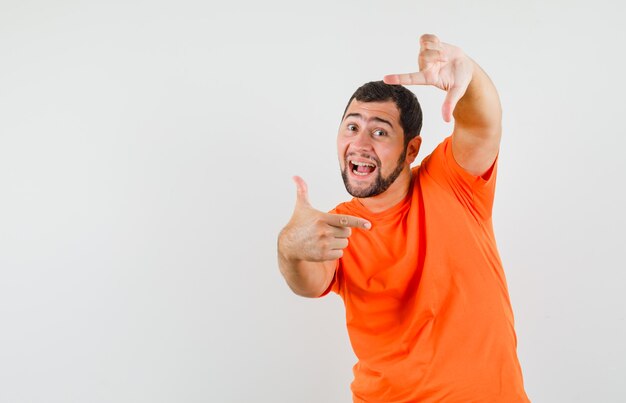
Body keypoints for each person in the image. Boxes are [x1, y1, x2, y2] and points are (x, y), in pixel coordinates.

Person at [277, 34, 530, 402]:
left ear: (411, 148)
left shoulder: (452, 181)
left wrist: (470, 75)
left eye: (379, 131)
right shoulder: (336, 229)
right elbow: (308, 281)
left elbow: (482, 124)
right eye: (352, 127)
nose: (360, 144)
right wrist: (291, 248)